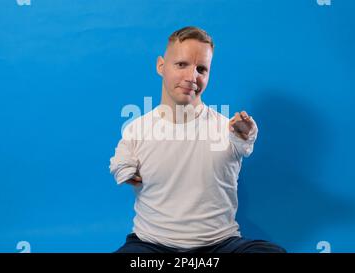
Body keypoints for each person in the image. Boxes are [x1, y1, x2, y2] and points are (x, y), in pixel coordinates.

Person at [109, 26, 286, 253]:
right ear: (161, 66)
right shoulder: (136, 129)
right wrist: (123, 168)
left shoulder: (228, 128)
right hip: (152, 245)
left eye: (201, 69)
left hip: (220, 246)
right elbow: (119, 162)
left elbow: (244, 141)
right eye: (181, 64)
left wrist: (246, 134)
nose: (192, 77)